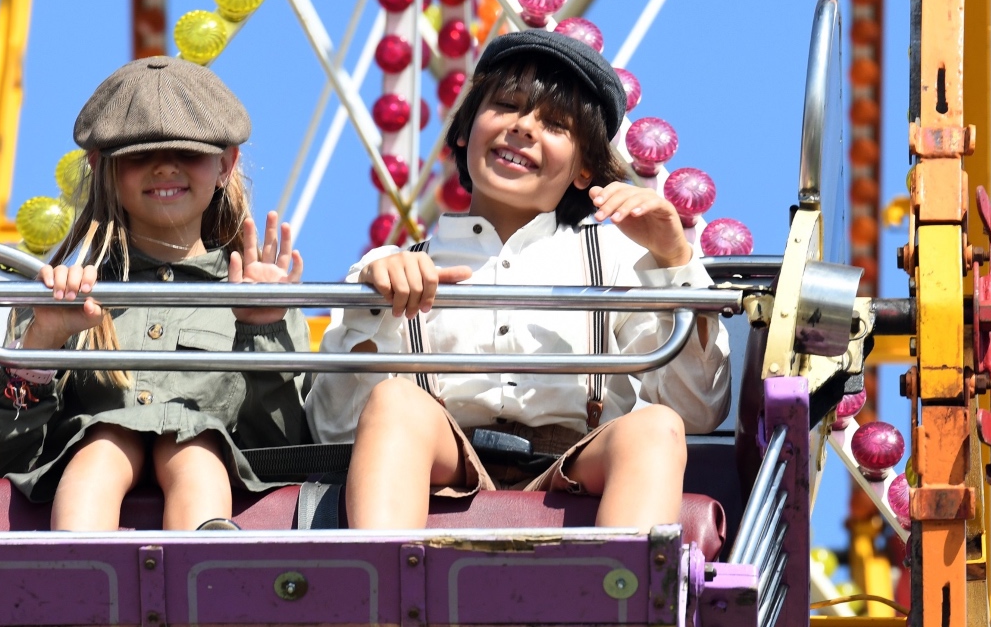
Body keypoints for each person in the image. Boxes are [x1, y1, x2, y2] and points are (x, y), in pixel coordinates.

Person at [307, 30, 730, 530]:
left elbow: (697, 410)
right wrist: (375, 306)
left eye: (554, 124)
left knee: (655, 427)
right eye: (506, 105)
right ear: (465, 131)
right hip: (443, 462)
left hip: (575, 463)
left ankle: (620, 598)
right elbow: (331, 432)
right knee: (397, 403)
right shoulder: (397, 266)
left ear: (584, 168)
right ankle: (383, 595)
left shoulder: (617, 261)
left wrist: (674, 259)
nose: (523, 127)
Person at [0, 56, 307, 531]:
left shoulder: (259, 298)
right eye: (140, 155)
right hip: (92, 461)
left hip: (208, 463)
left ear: (225, 164)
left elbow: (285, 452)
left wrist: (260, 330)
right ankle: (80, 577)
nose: (164, 167)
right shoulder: (62, 298)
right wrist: (42, 344)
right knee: (102, 445)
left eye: (187, 153)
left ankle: (204, 577)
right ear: (103, 167)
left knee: (194, 449)